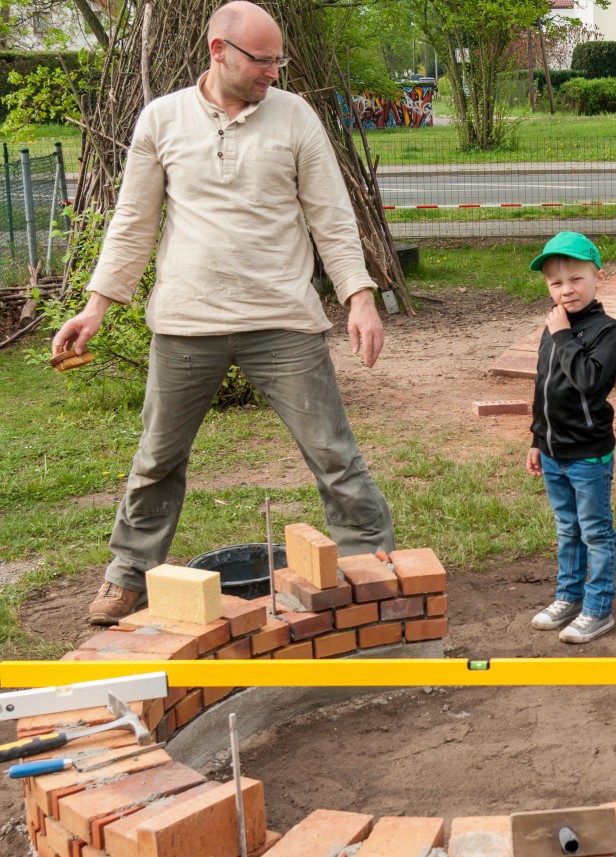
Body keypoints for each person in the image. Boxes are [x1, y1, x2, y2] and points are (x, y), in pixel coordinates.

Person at [52, 1, 394, 626]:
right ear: (218, 50)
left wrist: (359, 296)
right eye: (261, 61)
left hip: (283, 321)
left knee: (333, 453)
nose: (274, 72)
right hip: (186, 323)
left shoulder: (296, 117)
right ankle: (127, 577)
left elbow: (331, 216)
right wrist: (97, 305)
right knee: (157, 458)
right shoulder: (162, 119)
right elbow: (134, 221)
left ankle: (371, 566)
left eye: (278, 59)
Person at [525, 232, 616, 644]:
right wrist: (536, 437)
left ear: (598, 276)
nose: (566, 290)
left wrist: (564, 334)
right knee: (567, 528)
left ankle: (598, 608)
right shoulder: (554, 326)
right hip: (552, 451)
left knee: (595, 531)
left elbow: (587, 381)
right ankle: (568, 596)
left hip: (588, 455)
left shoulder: (607, 331)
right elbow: (543, 387)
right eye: (556, 283)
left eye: (576, 279)